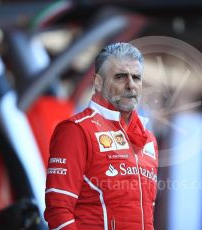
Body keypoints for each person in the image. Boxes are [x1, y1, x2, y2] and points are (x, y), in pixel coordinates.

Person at [44, 43, 159, 230]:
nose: (130, 85)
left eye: (136, 77)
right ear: (98, 83)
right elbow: (58, 210)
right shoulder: (77, 131)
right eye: (120, 77)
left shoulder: (149, 139)